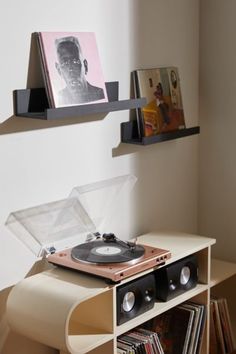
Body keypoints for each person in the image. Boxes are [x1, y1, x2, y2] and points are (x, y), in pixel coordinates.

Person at [55, 36, 105, 105]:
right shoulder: (57, 99)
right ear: (59, 70)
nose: (71, 69)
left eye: (75, 61)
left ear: (85, 66)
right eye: (65, 63)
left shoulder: (100, 94)